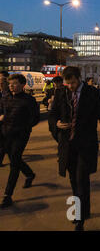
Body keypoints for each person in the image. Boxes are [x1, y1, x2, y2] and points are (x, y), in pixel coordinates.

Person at [49, 66, 100, 231]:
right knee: (74, 180)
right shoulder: (61, 92)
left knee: (81, 178)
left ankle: (79, 218)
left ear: (79, 78)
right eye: (68, 83)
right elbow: (53, 115)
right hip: (67, 144)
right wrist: (57, 124)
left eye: (73, 82)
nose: (70, 86)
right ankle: (83, 209)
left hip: (85, 143)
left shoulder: (92, 93)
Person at [0, 74, 40, 208]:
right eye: (10, 83)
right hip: (6, 133)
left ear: (23, 85)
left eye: (15, 83)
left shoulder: (29, 100)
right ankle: (30, 174)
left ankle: (7, 195)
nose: (11, 85)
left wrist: (25, 126)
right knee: (13, 158)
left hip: (20, 134)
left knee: (14, 161)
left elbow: (35, 118)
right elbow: (1, 110)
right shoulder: (5, 97)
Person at [47, 76, 65, 142]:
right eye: (54, 83)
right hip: (51, 111)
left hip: (60, 113)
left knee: (60, 132)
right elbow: (45, 99)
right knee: (52, 129)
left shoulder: (65, 90)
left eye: (57, 83)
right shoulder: (51, 90)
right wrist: (47, 101)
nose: (56, 84)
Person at [0, 71, 10, 167]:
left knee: (3, 143)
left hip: (7, 123)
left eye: (2, 81)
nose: (1, 84)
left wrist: (5, 115)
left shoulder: (10, 93)